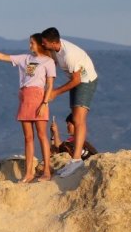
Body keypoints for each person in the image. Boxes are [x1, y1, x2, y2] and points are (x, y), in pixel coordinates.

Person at [0, 34, 55, 182]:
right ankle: (29, 173)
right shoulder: (25, 58)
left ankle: (47, 170)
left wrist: (45, 103)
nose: (30, 46)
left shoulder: (48, 61)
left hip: (39, 98)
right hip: (25, 97)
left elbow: (50, 85)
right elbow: (4, 57)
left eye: (32, 43)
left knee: (41, 135)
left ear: (39, 44)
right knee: (28, 138)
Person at [40, 27, 98, 178]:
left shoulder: (69, 55)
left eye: (44, 42)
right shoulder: (55, 50)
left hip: (85, 81)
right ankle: (75, 160)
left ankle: (77, 159)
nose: (43, 45)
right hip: (76, 81)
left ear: (53, 43)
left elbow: (76, 80)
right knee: (75, 116)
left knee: (78, 119)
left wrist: (55, 92)